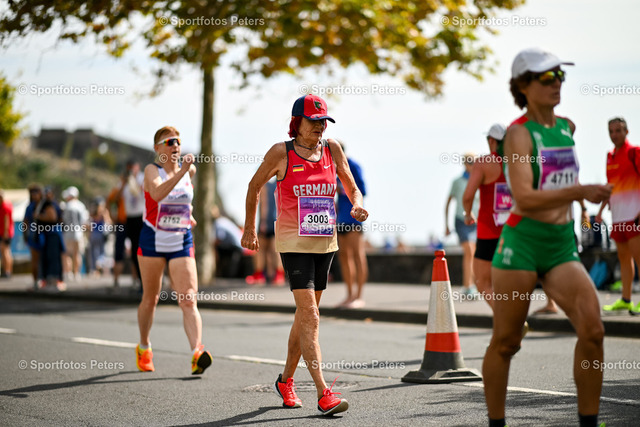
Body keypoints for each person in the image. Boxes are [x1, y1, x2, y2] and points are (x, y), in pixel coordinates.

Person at [483, 48, 612, 427]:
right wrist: (580, 191)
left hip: (561, 245)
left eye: (560, 76)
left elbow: (563, 181)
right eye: (547, 77)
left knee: (593, 330)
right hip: (522, 244)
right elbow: (524, 197)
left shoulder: (567, 127)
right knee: (507, 342)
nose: (557, 83)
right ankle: (496, 423)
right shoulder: (518, 134)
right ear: (523, 86)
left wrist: (583, 200)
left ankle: (589, 421)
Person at [241, 94, 367, 415]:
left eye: (324, 121)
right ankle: (324, 393)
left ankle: (285, 380)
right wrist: (250, 229)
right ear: (297, 123)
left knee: (304, 317)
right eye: (314, 121)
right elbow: (254, 186)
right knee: (310, 315)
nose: (320, 127)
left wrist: (356, 204)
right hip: (293, 243)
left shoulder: (332, 149)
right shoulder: (281, 152)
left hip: (325, 243)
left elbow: (351, 185)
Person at [135, 126, 212, 375]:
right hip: (153, 240)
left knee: (188, 298)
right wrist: (181, 172)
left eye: (178, 141)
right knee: (151, 299)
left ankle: (197, 352)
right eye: (169, 142)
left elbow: (183, 199)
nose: (175, 146)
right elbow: (158, 194)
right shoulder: (151, 170)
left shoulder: (189, 170)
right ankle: (144, 346)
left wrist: (188, 216)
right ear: (157, 148)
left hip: (181, 240)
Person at [462, 124, 510, 309]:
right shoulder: (521, 162)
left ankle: (508, 319)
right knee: (513, 281)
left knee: (482, 282)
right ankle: (514, 318)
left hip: (490, 231)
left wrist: (468, 214)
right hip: (517, 230)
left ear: (491, 141)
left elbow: (468, 196)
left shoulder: (484, 163)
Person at [596, 117, 640, 314]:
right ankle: (626, 299)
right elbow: (611, 186)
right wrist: (600, 211)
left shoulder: (634, 152)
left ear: (626, 131)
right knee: (624, 259)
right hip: (618, 216)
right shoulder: (610, 156)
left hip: (634, 216)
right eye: (611, 131)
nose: (614, 135)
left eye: (618, 130)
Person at [335, 142, 368, 308]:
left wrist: (341, 189)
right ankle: (349, 295)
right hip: (340, 218)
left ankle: (359, 296)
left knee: (358, 255)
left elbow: (363, 191)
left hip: (354, 219)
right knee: (343, 256)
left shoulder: (353, 166)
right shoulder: (334, 169)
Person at [445, 153, 479, 296]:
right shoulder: (457, 182)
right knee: (469, 250)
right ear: (464, 163)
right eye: (469, 161)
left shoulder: (479, 180)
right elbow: (448, 203)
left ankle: (473, 285)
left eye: (474, 161)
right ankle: (467, 286)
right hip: (461, 220)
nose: (472, 164)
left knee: (474, 253)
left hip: (476, 221)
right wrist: (446, 225)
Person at [246, 179, 285, 285]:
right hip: (279, 219)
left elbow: (264, 203)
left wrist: (263, 221)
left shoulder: (264, 185)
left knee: (261, 249)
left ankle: (259, 275)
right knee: (276, 249)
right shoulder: (279, 184)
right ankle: (279, 275)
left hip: (267, 220)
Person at [36, 187, 66, 290]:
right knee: (48, 258)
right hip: (49, 234)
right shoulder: (48, 203)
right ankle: (49, 281)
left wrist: (38, 216)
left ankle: (55, 280)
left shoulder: (50, 204)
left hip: (52, 234)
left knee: (53, 258)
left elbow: (52, 217)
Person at [124, 160, 145, 290]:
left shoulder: (143, 178)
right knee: (134, 251)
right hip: (130, 218)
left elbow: (139, 192)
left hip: (141, 217)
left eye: (133, 167)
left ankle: (146, 281)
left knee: (143, 249)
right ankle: (139, 280)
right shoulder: (125, 180)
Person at [61, 186, 89, 281]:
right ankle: (77, 273)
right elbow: (84, 222)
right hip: (78, 233)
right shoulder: (81, 206)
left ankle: (68, 273)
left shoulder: (66, 206)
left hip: (67, 233)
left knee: (67, 254)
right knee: (77, 254)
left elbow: (63, 220)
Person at [107, 172, 129, 288]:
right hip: (121, 222)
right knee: (118, 251)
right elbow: (111, 201)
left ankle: (136, 280)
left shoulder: (137, 186)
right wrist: (112, 217)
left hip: (134, 222)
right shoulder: (118, 188)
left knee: (137, 251)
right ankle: (116, 280)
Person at [23, 184, 43, 289]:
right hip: (34, 235)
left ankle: (41, 280)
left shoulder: (44, 205)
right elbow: (25, 222)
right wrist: (25, 236)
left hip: (42, 234)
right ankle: (36, 281)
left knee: (40, 259)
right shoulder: (30, 207)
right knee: (35, 260)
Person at [88, 197, 111, 277]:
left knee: (93, 253)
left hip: (94, 234)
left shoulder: (93, 212)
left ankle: (94, 269)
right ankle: (99, 265)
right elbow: (108, 222)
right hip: (101, 234)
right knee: (101, 252)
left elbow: (90, 224)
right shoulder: (104, 212)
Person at [0, 190, 14, 279]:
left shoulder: (5, 207)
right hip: (3, 232)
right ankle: (6, 270)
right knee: (4, 251)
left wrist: (5, 233)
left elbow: (6, 221)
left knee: (6, 251)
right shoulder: (2, 206)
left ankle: (7, 271)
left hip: (5, 233)